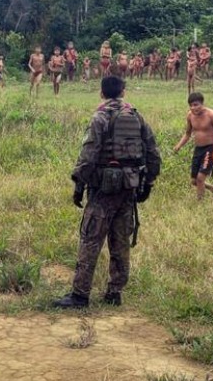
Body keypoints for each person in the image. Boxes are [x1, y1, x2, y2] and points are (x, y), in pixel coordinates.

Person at [54, 76, 161, 309]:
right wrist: (148, 184)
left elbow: (88, 154)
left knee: (91, 240)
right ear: (123, 91)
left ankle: (80, 295)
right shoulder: (136, 116)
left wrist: (79, 184)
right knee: (120, 241)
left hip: (103, 190)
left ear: (101, 93)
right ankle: (114, 293)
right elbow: (153, 153)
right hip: (128, 188)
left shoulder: (100, 116)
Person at [172, 92, 213, 201]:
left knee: (200, 178)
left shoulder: (212, 115)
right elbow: (187, 133)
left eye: (196, 105)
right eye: (191, 105)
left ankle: (200, 203)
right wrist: (178, 145)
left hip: (210, 149)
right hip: (198, 150)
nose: (193, 108)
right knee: (194, 181)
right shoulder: (190, 116)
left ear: (202, 104)